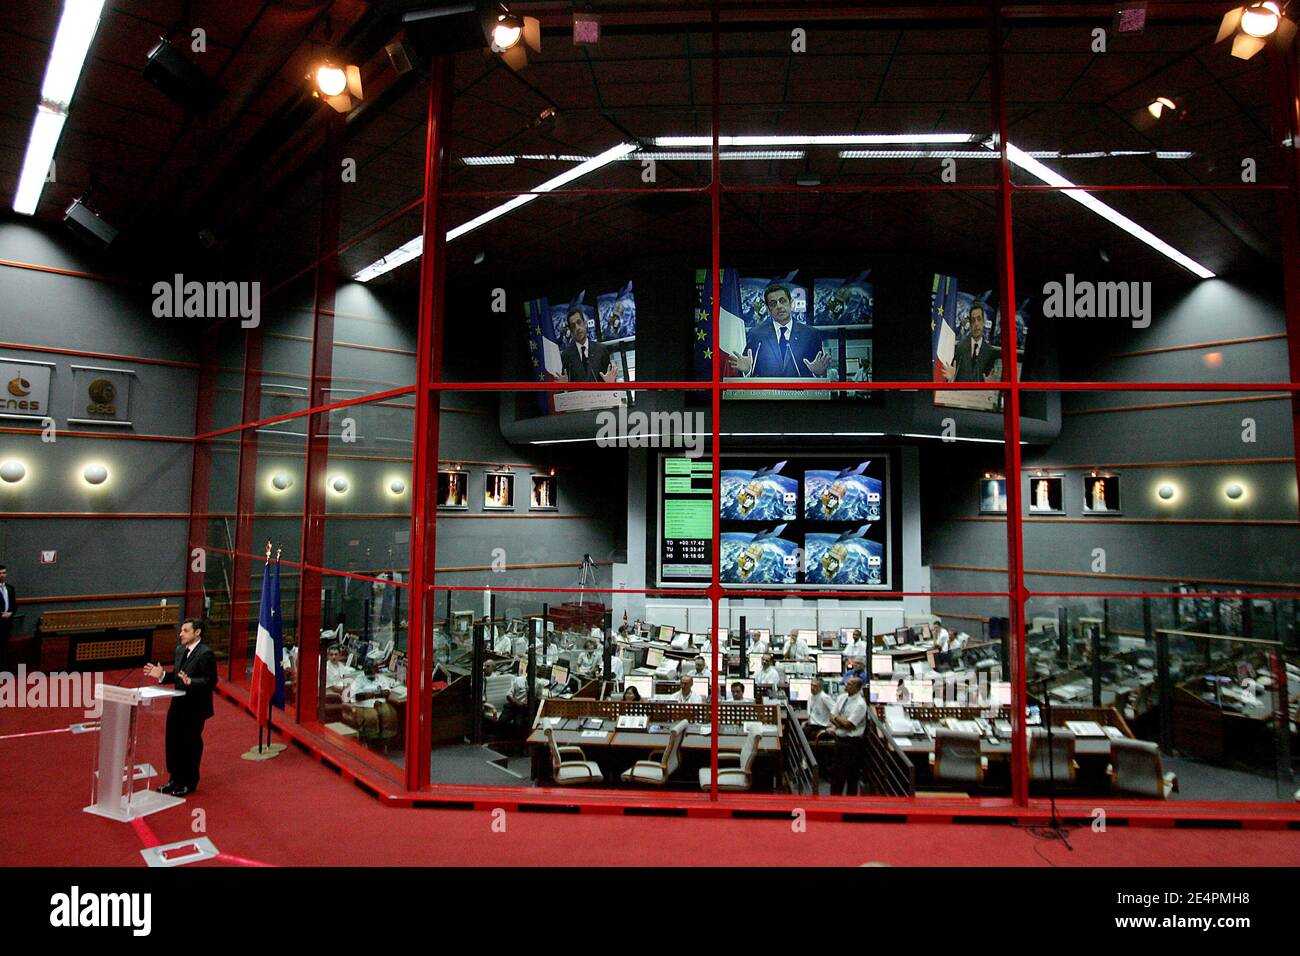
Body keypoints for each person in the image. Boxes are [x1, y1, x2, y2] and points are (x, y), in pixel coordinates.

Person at [143, 618, 217, 796]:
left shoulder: (205, 653)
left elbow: (211, 681)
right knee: (173, 742)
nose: (180, 634)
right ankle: (174, 779)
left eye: (185, 630)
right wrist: (162, 675)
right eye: (181, 630)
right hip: (177, 704)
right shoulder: (179, 650)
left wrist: (192, 682)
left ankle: (189, 781)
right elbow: (178, 677)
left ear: (197, 632)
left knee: (190, 744)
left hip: (195, 707)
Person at [729, 284, 831, 378]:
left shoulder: (810, 334)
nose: (779, 306)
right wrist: (747, 371)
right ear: (768, 310)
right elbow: (747, 368)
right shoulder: (756, 334)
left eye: (782, 301)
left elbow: (820, 369)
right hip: (766, 395)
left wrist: (818, 373)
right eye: (773, 304)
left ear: (791, 303)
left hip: (800, 395)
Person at [828, 676, 869, 796]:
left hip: (852, 744)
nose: (846, 685)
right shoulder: (842, 698)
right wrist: (839, 720)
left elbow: (849, 724)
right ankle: (834, 801)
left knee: (851, 776)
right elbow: (831, 716)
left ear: (857, 688)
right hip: (839, 740)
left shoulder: (860, 704)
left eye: (850, 684)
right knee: (836, 775)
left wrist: (838, 720)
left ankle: (850, 804)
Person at [941, 302, 1000, 383]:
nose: (976, 324)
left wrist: (990, 386)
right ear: (970, 324)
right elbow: (952, 378)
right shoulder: (960, 348)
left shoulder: (990, 352)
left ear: (983, 322)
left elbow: (991, 382)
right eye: (973, 320)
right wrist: (951, 379)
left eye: (979, 319)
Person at [344, 661, 399, 743]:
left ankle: (385, 741)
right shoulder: (359, 679)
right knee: (371, 717)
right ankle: (368, 740)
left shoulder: (381, 678)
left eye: (371, 670)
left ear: (376, 670)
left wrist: (371, 694)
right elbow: (358, 696)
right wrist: (377, 693)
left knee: (389, 714)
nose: (368, 672)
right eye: (366, 670)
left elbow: (387, 692)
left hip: (379, 702)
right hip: (364, 704)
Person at [557, 309, 617, 383]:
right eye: (573, 326)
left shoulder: (601, 350)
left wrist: (610, 383)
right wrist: (565, 387)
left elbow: (610, 378)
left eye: (579, 322)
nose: (577, 328)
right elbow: (566, 386)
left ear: (585, 323)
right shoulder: (566, 355)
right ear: (571, 331)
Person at [0, 565, 14, 670]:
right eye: (0, 573)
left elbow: (14, 604)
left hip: (7, 623)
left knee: (4, 647)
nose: (2, 575)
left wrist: (11, 613)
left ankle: (3, 670)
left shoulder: (10, 588)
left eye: (4, 573)